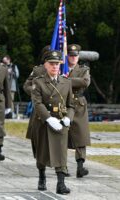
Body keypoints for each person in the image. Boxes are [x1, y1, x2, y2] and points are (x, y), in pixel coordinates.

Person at [30, 50, 74, 195]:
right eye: (52, 64)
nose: (55, 67)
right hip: (44, 121)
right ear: (46, 65)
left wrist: (68, 118)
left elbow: (71, 105)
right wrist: (48, 118)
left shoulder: (66, 82)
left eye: (57, 64)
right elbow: (37, 103)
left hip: (61, 122)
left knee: (61, 153)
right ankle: (42, 176)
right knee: (42, 153)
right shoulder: (39, 82)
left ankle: (60, 184)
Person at [67, 44, 91, 178]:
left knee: (81, 136)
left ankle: (80, 166)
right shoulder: (61, 68)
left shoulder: (83, 69)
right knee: (62, 135)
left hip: (79, 105)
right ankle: (62, 166)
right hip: (64, 103)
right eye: (71, 55)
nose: (73, 58)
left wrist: (67, 80)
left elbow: (85, 82)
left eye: (76, 55)